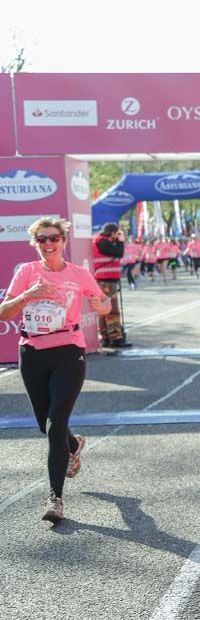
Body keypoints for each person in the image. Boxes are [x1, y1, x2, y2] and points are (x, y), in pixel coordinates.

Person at [0, 217, 111, 522]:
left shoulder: (78, 274)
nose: (48, 244)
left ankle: (55, 498)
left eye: (53, 238)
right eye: (42, 240)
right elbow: (3, 312)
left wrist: (104, 306)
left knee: (55, 424)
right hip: (33, 352)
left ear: (63, 241)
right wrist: (27, 296)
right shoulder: (26, 272)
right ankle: (74, 445)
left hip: (68, 353)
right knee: (44, 425)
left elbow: (102, 302)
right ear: (34, 244)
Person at [91, 222, 130, 349]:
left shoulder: (99, 241)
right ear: (112, 232)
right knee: (111, 310)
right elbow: (118, 253)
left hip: (103, 280)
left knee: (103, 311)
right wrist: (120, 242)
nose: (117, 236)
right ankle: (115, 338)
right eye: (116, 233)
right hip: (106, 280)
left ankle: (106, 337)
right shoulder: (103, 242)